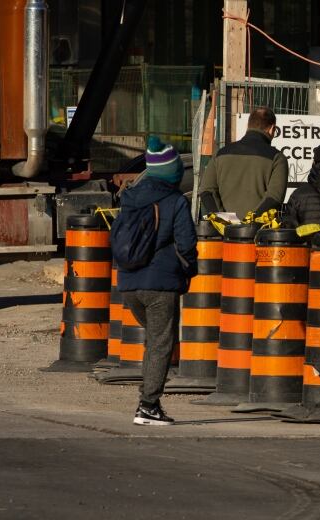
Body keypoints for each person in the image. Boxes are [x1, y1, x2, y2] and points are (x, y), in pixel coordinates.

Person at [118, 136, 198, 425]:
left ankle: (148, 400)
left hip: (129, 284)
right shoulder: (175, 201)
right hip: (160, 284)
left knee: (153, 340)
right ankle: (148, 406)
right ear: (173, 172)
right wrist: (188, 270)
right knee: (160, 343)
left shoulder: (129, 199)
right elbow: (187, 243)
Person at [198, 106, 288, 219]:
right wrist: (250, 222)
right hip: (259, 232)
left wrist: (222, 220)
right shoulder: (277, 158)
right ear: (272, 129)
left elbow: (206, 190)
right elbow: (274, 198)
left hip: (223, 232)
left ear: (248, 126)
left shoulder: (220, 154)